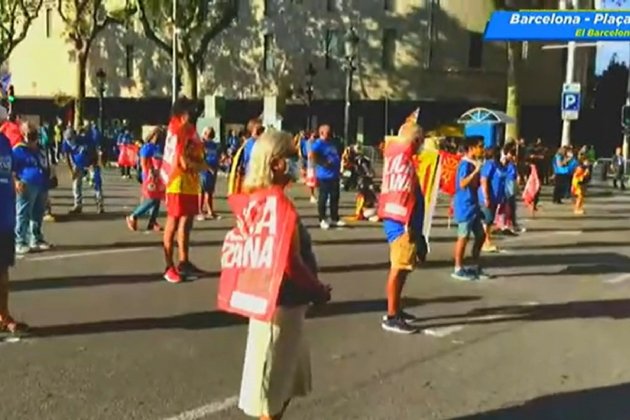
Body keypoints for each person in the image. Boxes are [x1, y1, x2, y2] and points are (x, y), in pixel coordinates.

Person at [232, 129, 331, 420]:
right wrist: (318, 289)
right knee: (272, 395)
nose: (298, 161)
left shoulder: (257, 198)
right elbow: (290, 261)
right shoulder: (278, 204)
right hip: (280, 305)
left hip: (270, 300)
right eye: (292, 155)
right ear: (276, 163)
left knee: (284, 384)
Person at [378, 122, 424, 334]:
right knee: (399, 268)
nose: (421, 146)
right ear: (414, 141)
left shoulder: (396, 156)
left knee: (403, 268)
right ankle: (392, 315)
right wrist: (412, 226)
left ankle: (396, 308)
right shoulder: (404, 159)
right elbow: (408, 194)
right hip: (402, 221)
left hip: (396, 217)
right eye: (420, 141)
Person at [160, 97, 208, 283]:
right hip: (177, 180)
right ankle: (168, 266)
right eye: (191, 110)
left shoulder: (189, 129)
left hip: (190, 181)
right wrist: (201, 166)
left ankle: (183, 261)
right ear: (183, 113)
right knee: (174, 219)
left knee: (187, 220)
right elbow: (181, 160)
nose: (195, 114)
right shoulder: (178, 130)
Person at [0, 106, 28, 334]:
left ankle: (3, 316)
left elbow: (10, 172)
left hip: (5, 218)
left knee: (2, 272)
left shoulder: (5, 144)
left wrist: (15, 180)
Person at [12, 123, 53, 255]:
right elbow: (11, 168)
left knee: (38, 214)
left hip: (41, 184)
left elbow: (46, 165)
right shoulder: (18, 150)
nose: (33, 136)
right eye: (30, 133)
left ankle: (36, 239)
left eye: (34, 133)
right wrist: (16, 181)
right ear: (23, 134)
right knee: (23, 214)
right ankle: (20, 241)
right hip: (26, 184)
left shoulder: (40, 149)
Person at [452, 136, 487, 281]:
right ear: (471, 148)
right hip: (464, 205)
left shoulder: (475, 163)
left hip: (474, 206)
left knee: (480, 235)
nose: (482, 149)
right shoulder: (465, 164)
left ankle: (475, 265)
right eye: (480, 146)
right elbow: (462, 183)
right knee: (463, 237)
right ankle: (458, 267)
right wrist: (475, 172)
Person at [126, 127, 164, 232]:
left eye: (160, 135)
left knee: (157, 199)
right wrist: (150, 172)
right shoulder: (147, 147)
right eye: (156, 135)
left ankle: (152, 222)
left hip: (158, 177)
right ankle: (133, 216)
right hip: (149, 177)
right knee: (151, 199)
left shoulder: (159, 148)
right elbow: (143, 163)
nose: (158, 138)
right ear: (152, 135)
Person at [310, 124, 345, 230]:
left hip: (334, 174)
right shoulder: (318, 144)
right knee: (323, 198)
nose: (330, 134)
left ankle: (335, 217)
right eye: (327, 133)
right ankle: (322, 219)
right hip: (324, 175)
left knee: (335, 197)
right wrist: (324, 163)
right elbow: (312, 155)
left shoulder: (332, 143)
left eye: (330, 132)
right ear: (321, 133)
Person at [62, 127, 104, 214]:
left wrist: (94, 164)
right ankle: (78, 205)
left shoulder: (85, 140)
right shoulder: (66, 143)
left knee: (96, 183)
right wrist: (71, 171)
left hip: (91, 162)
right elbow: (67, 156)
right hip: (77, 164)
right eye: (68, 139)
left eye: (71, 138)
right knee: (76, 184)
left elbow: (95, 151)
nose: (69, 140)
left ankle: (100, 204)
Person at [478, 146, 504, 253]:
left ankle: (486, 240)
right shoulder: (489, 164)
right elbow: (484, 180)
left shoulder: (498, 165)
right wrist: (486, 196)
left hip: (495, 197)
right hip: (488, 196)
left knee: (490, 220)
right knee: (486, 220)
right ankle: (485, 242)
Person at [198, 127, 221, 221]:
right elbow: (200, 157)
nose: (209, 135)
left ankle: (210, 211)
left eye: (211, 133)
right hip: (204, 170)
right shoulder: (202, 144)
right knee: (201, 191)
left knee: (210, 191)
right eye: (207, 133)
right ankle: (200, 211)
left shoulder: (214, 145)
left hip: (213, 170)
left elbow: (217, 155)